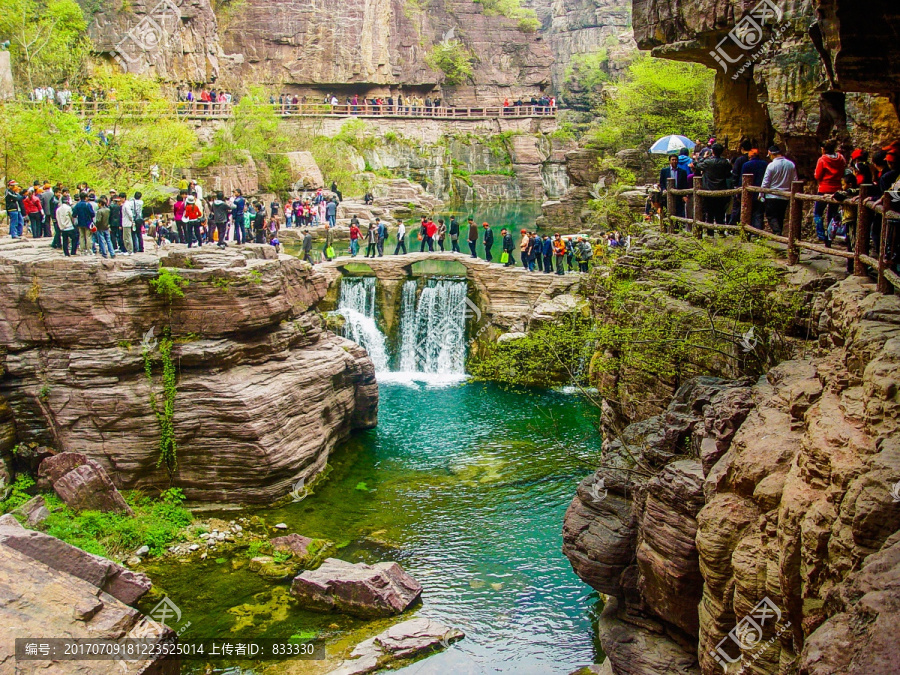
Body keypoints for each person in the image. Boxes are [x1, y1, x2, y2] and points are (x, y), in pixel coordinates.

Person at [813, 139, 847, 244]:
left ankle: (821, 235)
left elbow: (817, 175)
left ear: (824, 149)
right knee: (832, 214)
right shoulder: (841, 158)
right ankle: (829, 236)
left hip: (824, 189)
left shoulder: (822, 160)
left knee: (818, 213)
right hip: (836, 189)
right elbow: (843, 170)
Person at [760, 145, 798, 236]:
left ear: (770, 154)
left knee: (771, 215)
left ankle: (777, 232)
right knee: (780, 216)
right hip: (785, 196)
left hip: (772, 196)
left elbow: (766, 181)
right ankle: (779, 233)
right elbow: (795, 180)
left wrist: (761, 193)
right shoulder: (791, 164)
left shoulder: (771, 166)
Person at [698, 143, 732, 224]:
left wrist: (703, 158)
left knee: (709, 213)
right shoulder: (725, 162)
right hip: (721, 190)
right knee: (720, 212)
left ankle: (710, 232)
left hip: (709, 190)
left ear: (712, 151)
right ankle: (721, 231)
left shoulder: (708, 162)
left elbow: (698, 165)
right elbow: (728, 173)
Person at [741, 149, 769, 230]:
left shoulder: (746, 165)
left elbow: (742, 179)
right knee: (759, 213)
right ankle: (758, 231)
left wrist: (739, 194)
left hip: (749, 193)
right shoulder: (765, 164)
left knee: (748, 213)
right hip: (761, 191)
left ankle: (748, 230)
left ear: (750, 156)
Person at [660, 153, 689, 219]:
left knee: (679, 214)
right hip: (668, 196)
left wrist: (684, 195)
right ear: (670, 161)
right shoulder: (664, 171)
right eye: (672, 160)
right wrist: (664, 189)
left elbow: (685, 185)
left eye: (675, 160)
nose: (674, 161)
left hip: (679, 196)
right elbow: (661, 183)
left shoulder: (682, 172)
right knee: (668, 213)